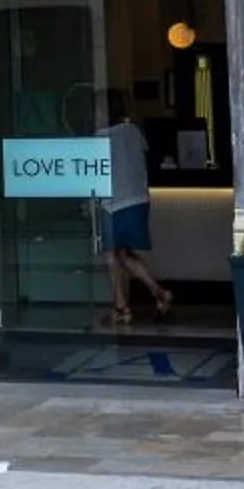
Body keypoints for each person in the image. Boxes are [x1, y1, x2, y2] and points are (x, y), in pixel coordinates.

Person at [97, 92, 171, 323]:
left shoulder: (99, 138)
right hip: (138, 200)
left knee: (112, 254)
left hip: (113, 202)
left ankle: (121, 307)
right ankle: (158, 292)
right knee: (125, 253)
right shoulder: (134, 132)